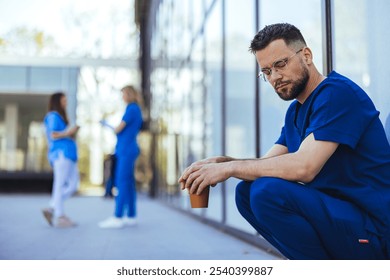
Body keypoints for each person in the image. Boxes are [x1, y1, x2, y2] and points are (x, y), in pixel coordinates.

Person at [179, 23, 390, 259]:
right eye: (266, 72)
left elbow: (304, 167)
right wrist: (223, 162)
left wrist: (229, 168)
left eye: (280, 64)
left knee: (266, 192)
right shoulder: (295, 112)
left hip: (373, 228)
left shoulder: (336, 94)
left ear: (306, 56)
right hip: (340, 219)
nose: (275, 77)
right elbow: (267, 164)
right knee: (246, 193)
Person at [98, 85, 143, 229]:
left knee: (121, 182)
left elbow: (118, 129)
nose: (122, 97)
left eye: (123, 94)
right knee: (128, 183)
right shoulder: (135, 109)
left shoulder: (132, 108)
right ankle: (131, 216)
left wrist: (106, 124)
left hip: (126, 150)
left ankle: (117, 217)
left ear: (129, 94)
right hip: (128, 149)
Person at [42, 92, 80, 228]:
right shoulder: (53, 116)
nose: (66, 103)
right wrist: (68, 132)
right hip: (61, 155)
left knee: (73, 185)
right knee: (59, 185)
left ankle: (52, 207)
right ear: (57, 101)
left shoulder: (62, 118)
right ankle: (59, 216)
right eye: (64, 100)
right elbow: (53, 134)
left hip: (70, 155)